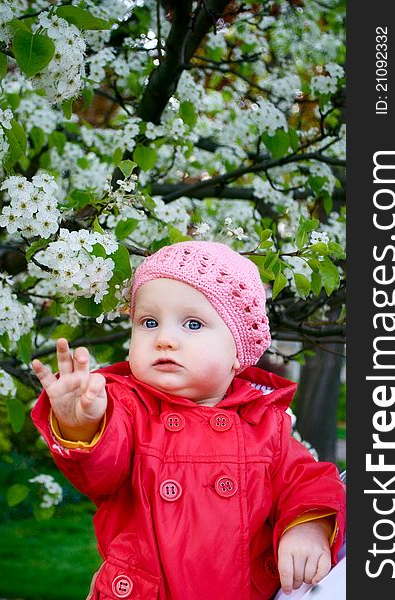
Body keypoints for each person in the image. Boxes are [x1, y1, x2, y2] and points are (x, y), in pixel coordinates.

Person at [31, 240, 346, 600]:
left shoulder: (264, 425)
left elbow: (308, 481)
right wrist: (80, 424)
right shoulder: (127, 407)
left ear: (237, 353)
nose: (164, 338)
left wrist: (308, 527)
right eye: (148, 322)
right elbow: (102, 470)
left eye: (193, 324)